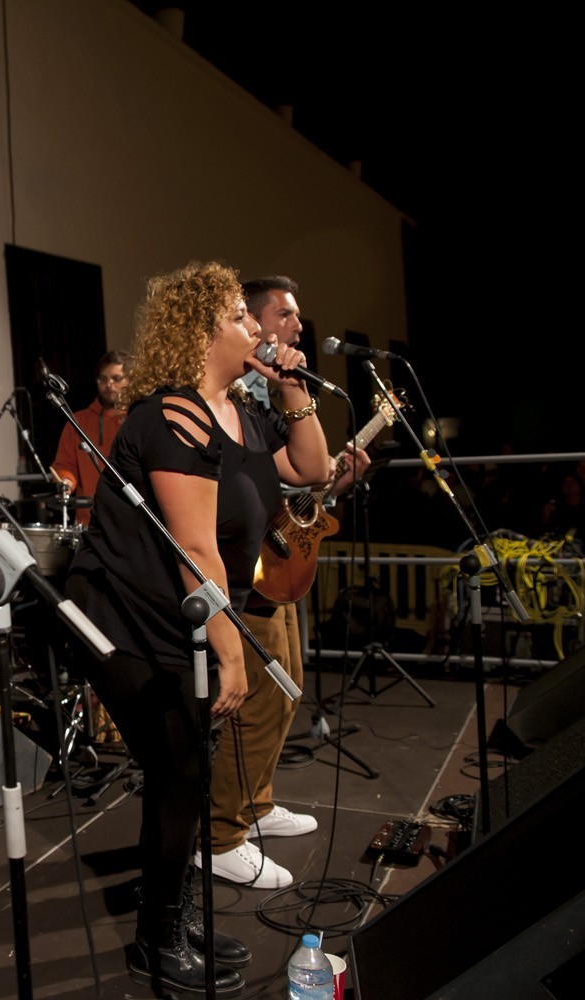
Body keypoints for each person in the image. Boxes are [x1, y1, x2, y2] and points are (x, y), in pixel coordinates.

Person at [66, 262, 329, 995]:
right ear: (202, 330)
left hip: (181, 614)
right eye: (239, 315)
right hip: (122, 614)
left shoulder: (244, 412)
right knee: (179, 767)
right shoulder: (172, 415)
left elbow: (313, 465)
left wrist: (293, 387)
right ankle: (156, 939)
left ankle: (173, 915)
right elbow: (195, 548)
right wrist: (232, 654)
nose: (254, 326)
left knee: (186, 771)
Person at [203, 275, 369, 889]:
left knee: (288, 686)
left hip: (277, 559)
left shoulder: (261, 397)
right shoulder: (221, 398)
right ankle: (221, 835)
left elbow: (308, 472)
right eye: (282, 316)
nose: (296, 327)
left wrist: (330, 476)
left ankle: (255, 805)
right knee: (262, 694)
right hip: (244, 567)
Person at [50, 350, 128, 525]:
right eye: (103, 379)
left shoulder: (136, 418)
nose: (109, 384)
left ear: (129, 380)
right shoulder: (77, 421)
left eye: (116, 378)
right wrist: (65, 481)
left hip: (129, 520)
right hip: (89, 521)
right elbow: (65, 465)